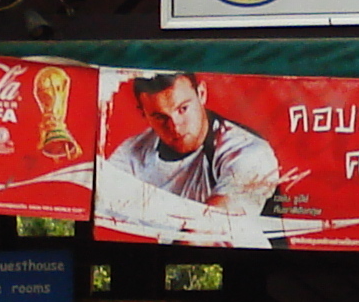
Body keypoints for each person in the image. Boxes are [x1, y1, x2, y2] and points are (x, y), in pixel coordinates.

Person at [112, 72, 280, 230]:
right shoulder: (130, 153)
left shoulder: (249, 152)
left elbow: (213, 229)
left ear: (201, 94)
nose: (175, 126)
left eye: (183, 109)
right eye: (160, 117)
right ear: (143, 113)